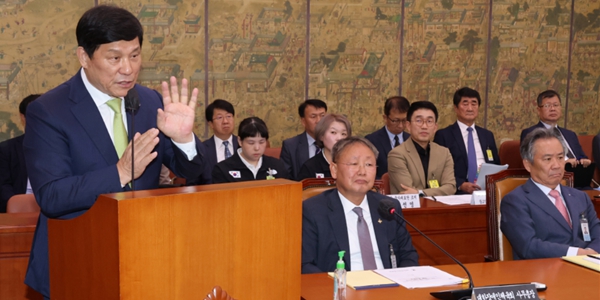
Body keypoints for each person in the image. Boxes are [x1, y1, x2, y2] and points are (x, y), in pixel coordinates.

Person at [22, 6, 208, 298]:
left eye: (135, 55)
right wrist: (119, 173)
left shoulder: (149, 100)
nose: (128, 68)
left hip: (146, 262)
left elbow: (194, 173)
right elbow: (52, 196)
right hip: (76, 264)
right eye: (115, 57)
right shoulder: (48, 111)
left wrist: (185, 140)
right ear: (84, 57)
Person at [302, 136, 419, 273]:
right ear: (334, 170)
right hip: (341, 288)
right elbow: (305, 265)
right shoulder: (313, 211)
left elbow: (408, 256)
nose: (362, 171)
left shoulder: (388, 207)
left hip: (388, 288)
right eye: (353, 164)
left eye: (369, 165)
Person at [501, 128, 600, 260]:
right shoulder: (515, 201)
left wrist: (589, 255)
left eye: (560, 158)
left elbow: (597, 233)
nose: (557, 165)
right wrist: (577, 254)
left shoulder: (580, 197)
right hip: (543, 272)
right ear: (528, 164)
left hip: (588, 268)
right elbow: (528, 246)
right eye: (548, 159)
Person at [434, 87, 499, 194]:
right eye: (465, 104)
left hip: (486, 190)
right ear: (455, 108)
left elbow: (496, 164)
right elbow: (438, 168)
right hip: (458, 191)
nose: (470, 108)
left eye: (474, 104)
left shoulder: (487, 135)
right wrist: (460, 184)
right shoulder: (444, 135)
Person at [388, 101, 456, 196]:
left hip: (439, 208)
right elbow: (407, 191)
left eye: (429, 121)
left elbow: (450, 188)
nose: (424, 126)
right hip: (410, 209)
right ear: (408, 126)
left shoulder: (444, 153)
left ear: (435, 127)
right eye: (419, 121)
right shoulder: (396, 154)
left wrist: (420, 193)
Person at [520, 90, 591, 169]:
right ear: (538, 110)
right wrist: (563, 163)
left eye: (556, 105)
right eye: (547, 105)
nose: (552, 109)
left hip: (578, 175)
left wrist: (584, 160)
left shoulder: (570, 134)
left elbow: (581, 156)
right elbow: (534, 162)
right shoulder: (531, 133)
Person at [212, 117, 288, 183]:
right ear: (240, 141)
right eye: (251, 143)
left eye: (261, 142)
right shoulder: (223, 169)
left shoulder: (277, 165)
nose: (257, 148)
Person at [0, 94, 41, 212]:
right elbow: (3, 187)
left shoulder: (62, 147)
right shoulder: (7, 150)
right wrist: (16, 205)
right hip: (20, 208)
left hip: (54, 207)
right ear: (23, 117)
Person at [280, 99, 327, 180]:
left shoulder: (336, 144)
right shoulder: (290, 146)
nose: (319, 121)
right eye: (313, 116)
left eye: (322, 116)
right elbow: (286, 179)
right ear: (303, 121)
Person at [365, 96, 410, 179]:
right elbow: (369, 171)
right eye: (395, 121)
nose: (400, 125)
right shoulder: (371, 141)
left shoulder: (411, 140)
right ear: (385, 118)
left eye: (404, 120)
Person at [297, 114, 351, 180]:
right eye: (333, 132)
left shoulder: (353, 164)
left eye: (343, 134)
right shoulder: (310, 167)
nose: (339, 138)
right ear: (321, 136)